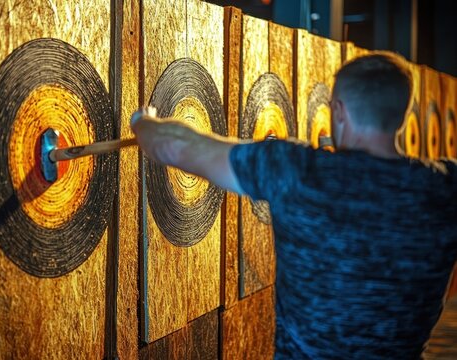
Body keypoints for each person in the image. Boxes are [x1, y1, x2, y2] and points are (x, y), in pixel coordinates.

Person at [130, 53, 457, 359]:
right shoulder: (445, 187)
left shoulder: (299, 172)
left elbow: (175, 148)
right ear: (401, 114)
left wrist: (145, 123)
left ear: (339, 110)